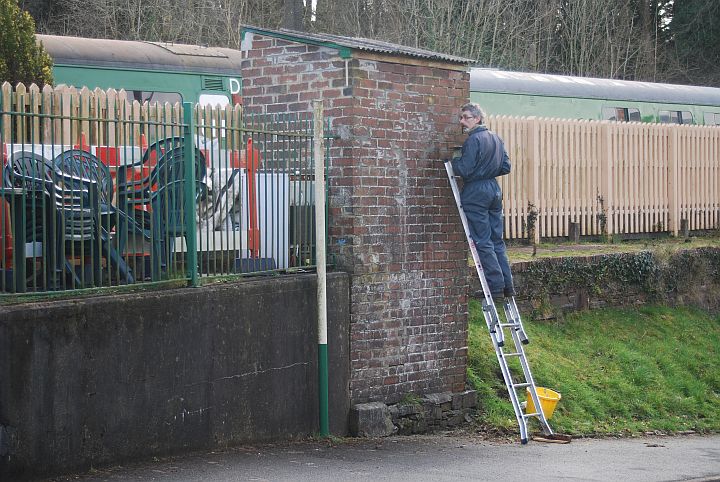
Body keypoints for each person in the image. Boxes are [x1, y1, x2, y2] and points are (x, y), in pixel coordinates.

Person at [451, 102, 515, 300]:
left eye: (466, 117)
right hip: (494, 190)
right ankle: (508, 286)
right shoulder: (496, 138)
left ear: (477, 118)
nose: (462, 121)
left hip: (476, 191)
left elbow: (465, 169)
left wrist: (455, 159)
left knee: (482, 239)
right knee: (496, 240)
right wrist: (488, 169)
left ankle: (495, 288)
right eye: (461, 118)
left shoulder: (473, 140)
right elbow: (505, 167)